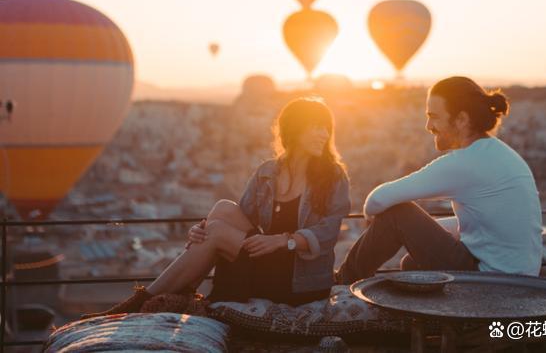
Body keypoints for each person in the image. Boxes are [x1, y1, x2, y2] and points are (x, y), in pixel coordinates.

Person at [85, 97, 350, 316]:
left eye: (327, 127)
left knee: (218, 231)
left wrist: (285, 241)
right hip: (265, 259)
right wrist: (201, 232)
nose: (324, 134)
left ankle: (139, 304)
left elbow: (329, 232)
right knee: (222, 208)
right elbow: (239, 216)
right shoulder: (268, 172)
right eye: (316, 126)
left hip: (299, 279)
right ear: (295, 129)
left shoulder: (332, 176)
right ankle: (176, 293)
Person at [336, 76, 542, 285]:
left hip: (490, 281)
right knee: (411, 264)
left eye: (434, 116)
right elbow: (487, 225)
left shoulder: (464, 162)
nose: (428, 126)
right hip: (520, 280)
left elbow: (377, 200)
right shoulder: (500, 154)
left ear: (462, 119)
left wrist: (375, 217)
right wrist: (421, 229)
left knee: (397, 213)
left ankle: (343, 281)